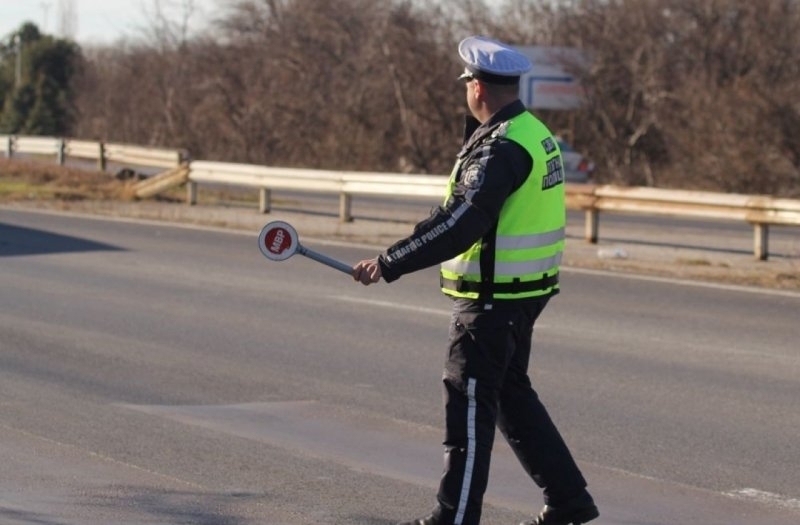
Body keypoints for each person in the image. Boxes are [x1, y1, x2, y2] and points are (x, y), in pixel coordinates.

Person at [352, 35, 599, 525]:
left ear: (477, 87)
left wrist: (390, 261)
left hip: (492, 300)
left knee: (468, 410)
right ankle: (569, 503)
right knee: (510, 396)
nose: (466, 88)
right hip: (523, 292)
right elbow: (456, 212)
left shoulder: (500, 147)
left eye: (466, 81)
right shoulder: (532, 131)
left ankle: (455, 518)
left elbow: (462, 223)